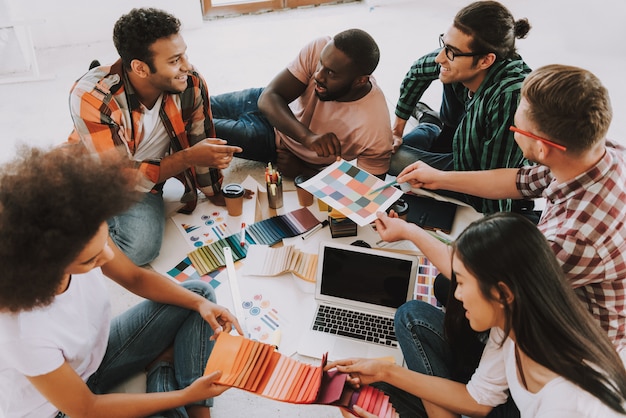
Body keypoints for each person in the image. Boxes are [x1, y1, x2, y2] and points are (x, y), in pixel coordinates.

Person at [394, 64, 626, 360]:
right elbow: (521, 181)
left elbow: (475, 277)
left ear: (542, 149)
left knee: (428, 306)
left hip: (570, 345)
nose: (512, 132)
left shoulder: (574, 237)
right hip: (562, 285)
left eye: (515, 129)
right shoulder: (595, 151)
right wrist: (439, 177)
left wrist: (408, 231)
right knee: (446, 286)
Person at [0, 144, 242, 418]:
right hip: (60, 410)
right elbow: (88, 409)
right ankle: (167, 375)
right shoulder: (22, 333)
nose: (106, 256)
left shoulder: (82, 233)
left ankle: (196, 406)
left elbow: (135, 277)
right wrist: (186, 395)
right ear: (45, 267)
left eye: (105, 241)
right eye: (90, 260)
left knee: (199, 295)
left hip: (96, 359)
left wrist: (199, 304)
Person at [330, 213, 626, 418]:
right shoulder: (517, 319)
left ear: (502, 292)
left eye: (463, 282)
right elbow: (478, 399)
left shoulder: (569, 404)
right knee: (372, 388)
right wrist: (385, 371)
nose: (455, 295)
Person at [68, 8, 246, 266]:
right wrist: (186, 158)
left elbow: (200, 138)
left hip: (149, 177)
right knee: (134, 249)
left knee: (142, 247)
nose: (186, 66)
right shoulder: (91, 97)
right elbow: (119, 180)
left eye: (184, 54)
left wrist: (214, 190)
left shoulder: (191, 82)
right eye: (175, 61)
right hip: (103, 178)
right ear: (140, 68)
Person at [390, 1, 533, 216]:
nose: (440, 57)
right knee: (387, 150)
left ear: (486, 60)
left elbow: (490, 187)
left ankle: (430, 124)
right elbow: (417, 71)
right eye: (444, 45)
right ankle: (431, 123)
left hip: (476, 172)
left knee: (389, 160)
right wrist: (396, 131)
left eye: (451, 52)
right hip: (461, 141)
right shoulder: (464, 60)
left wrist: (438, 179)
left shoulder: (509, 97)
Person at [209, 28, 393, 179]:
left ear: (360, 81)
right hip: (276, 106)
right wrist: (307, 137)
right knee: (195, 104)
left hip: (270, 141)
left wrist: (306, 172)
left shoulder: (375, 127)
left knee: (194, 128)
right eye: (321, 64)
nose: (318, 75)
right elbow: (268, 97)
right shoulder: (321, 45)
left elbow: (369, 192)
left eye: (331, 74)